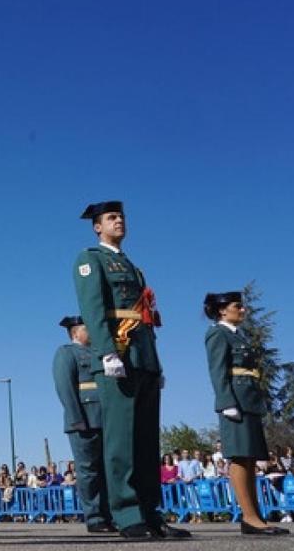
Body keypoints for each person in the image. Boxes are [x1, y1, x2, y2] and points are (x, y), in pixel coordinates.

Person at [72, 201, 189, 539]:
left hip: (142, 356)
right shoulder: (90, 259)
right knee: (121, 440)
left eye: (121, 216)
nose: (119, 221)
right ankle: (126, 514)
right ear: (97, 226)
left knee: (145, 440)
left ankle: (151, 512)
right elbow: (93, 307)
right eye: (111, 217)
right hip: (117, 355)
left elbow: (146, 317)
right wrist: (106, 352)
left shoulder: (132, 267)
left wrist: (154, 362)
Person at [204, 291, 288, 535]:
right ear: (222, 310)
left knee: (250, 458)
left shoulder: (239, 335)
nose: (243, 310)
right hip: (235, 401)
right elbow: (217, 370)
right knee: (240, 457)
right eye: (237, 306)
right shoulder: (217, 333)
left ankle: (255, 516)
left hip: (248, 399)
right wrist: (225, 401)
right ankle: (250, 517)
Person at [51, 315, 114, 533]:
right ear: (75, 332)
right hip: (84, 419)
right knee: (88, 470)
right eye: (88, 328)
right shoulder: (66, 353)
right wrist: (77, 418)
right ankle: (95, 516)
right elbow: (65, 388)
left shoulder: (100, 353)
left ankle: (108, 514)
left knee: (106, 470)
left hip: (105, 418)